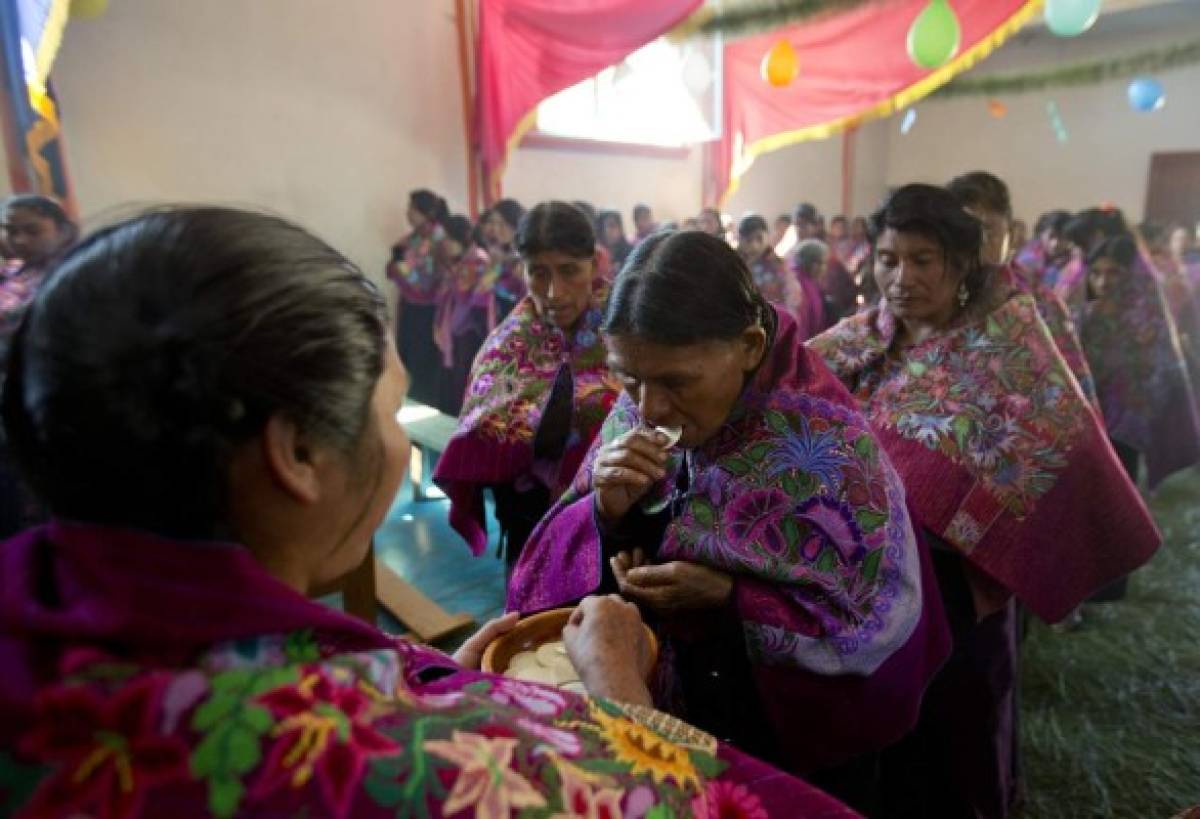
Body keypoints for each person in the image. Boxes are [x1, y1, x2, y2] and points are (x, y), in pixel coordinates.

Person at [0, 206, 856, 819]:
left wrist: (413, 666)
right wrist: (623, 700)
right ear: (296, 454)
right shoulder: (425, 765)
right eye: (391, 404)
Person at [508, 230, 952, 811]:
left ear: (747, 345)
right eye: (629, 378)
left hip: (780, 735)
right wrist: (607, 513)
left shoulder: (827, 447)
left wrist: (728, 597)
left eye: (675, 382)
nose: (650, 409)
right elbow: (555, 557)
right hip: (661, 704)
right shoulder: (646, 390)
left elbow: (868, 624)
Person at [808, 184, 1161, 818]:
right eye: (889, 259)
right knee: (882, 747)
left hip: (962, 590)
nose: (902, 277)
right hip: (867, 590)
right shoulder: (855, 343)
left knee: (955, 747)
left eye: (923, 260)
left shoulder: (1009, 347)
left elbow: (1068, 443)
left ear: (961, 264)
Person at [435, 202, 621, 570]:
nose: (554, 292)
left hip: (614, 526)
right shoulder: (508, 344)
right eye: (538, 273)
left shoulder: (626, 327)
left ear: (594, 262)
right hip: (528, 518)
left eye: (569, 271)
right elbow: (479, 428)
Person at [948, 172, 1098, 404]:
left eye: (988, 231)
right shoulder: (935, 297)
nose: (976, 243)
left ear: (1012, 234)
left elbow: (1072, 392)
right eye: (963, 232)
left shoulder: (1040, 303)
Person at [1081, 233, 1200, 488]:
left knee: (1121, 488)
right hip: (1088, 420)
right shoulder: (1084, 316)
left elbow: (1154, 375)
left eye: (1113, 273)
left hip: (1127, 425)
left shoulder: (1147, 321)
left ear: (1129, 276)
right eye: (1096, 273)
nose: (1103, 282)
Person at [0, 195, 77, 538]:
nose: (19, 241)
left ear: (62, 229)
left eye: (31, 231)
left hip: (54, 395)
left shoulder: (78, 271)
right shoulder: (8, 275)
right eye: (10, 231)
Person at [386, 189, 449, 406]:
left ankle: (425, 407)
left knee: (423, 363)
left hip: (430, 310)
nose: (408, 214)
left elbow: (426, 279)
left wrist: (401, 268)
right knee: (407, 357)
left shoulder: (437, 237)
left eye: (412, 209)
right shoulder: (411, 239)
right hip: (410, 306)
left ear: (426, 212)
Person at [432, 215, 491, 416]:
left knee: (463, 384)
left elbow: (468, 296)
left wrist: (455, 276)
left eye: (448, 238)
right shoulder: (459, 262)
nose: (444, 244)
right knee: (451, 384)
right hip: (455, 331)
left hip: (469, 331)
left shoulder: (477, 259)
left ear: (463, 237)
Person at [735, 216, 803, 325]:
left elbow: (792, 298)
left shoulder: (779, 265)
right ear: (740, 240)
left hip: (774, 324)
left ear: (768, 237)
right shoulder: (733, 264)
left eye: (759, 239)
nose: (754, 245)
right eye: (748, 240)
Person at [484, 198, 528, 322]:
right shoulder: (499, 254)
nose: (497, 229)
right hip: (500, 318)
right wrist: (495, 266)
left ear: (515, 223)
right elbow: (485, 285)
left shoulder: (527, 254)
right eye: (495, 223)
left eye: (502, 224)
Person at [789, 238, 833, 339]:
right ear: (812, 264)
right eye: (822, 263)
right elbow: (800, 325)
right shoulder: (797, 284)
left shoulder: (810, 282)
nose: (824, 268)